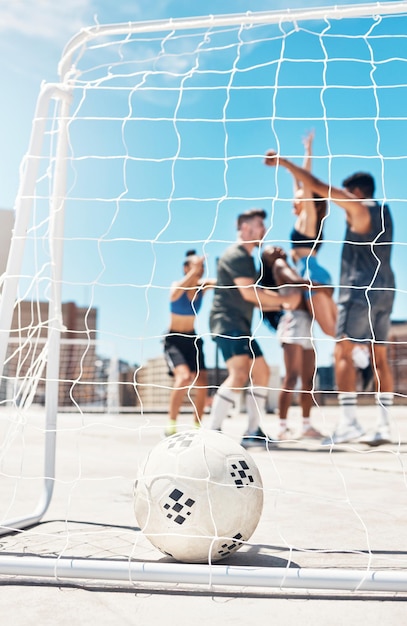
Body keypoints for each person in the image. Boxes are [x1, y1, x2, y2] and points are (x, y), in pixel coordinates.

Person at [265, 149, 395, 445]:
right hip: (385, 289)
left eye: (347, 194)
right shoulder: (384, 212)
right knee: (379, 358)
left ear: (357, 192)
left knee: (341, 350)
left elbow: (315, 186)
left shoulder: (360, 208)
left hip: (358, 289)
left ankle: (349, 423)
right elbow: (307, 188)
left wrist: (286, 163)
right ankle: (385, 426)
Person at [208, 209, 300, 448]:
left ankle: (252, 431)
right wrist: (284, 300)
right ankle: (212, 433)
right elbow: (249, 293)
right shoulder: (236, 254)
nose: (264, 230)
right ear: (246, 228)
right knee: (238, 373)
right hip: (226, 322)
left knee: (261, 372)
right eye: (260, 225)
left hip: (240, 325)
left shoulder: (248, 259)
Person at [261, 245, 322, 440]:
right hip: (293, 321)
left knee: (308, 380)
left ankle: (305, 425)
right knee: (292, 377)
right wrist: (322, 287)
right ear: (268, 259)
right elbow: (297, 282)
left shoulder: (292, 264)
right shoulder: (280, 265)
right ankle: (282, 427)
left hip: (306, 323)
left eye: (276, 247)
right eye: (271, 251)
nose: (277, 249)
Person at [289, 131, 337, 337]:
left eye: (300, 197)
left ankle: (367, 361)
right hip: (316, 273)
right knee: (338, 331)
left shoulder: (309, 220)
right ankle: (364, 361)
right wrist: (294, 174)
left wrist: (309, 152)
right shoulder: (306, 221)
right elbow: (299, 184)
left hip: (311, 276)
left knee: (332, 331)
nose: (294, 198)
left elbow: (306, 183)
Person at [164, 250, 215, 436]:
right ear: (186, 268)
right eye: (195, 265)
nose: (200, 269)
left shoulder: (202, 287)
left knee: (202, 382)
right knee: (184, 378)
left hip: (192, 339)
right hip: (174, 340)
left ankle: (197, 426)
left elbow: (224, 281)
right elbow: (174, 295)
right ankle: (171, 425)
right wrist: (194, 271)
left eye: (201, 266)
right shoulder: (177, 286)